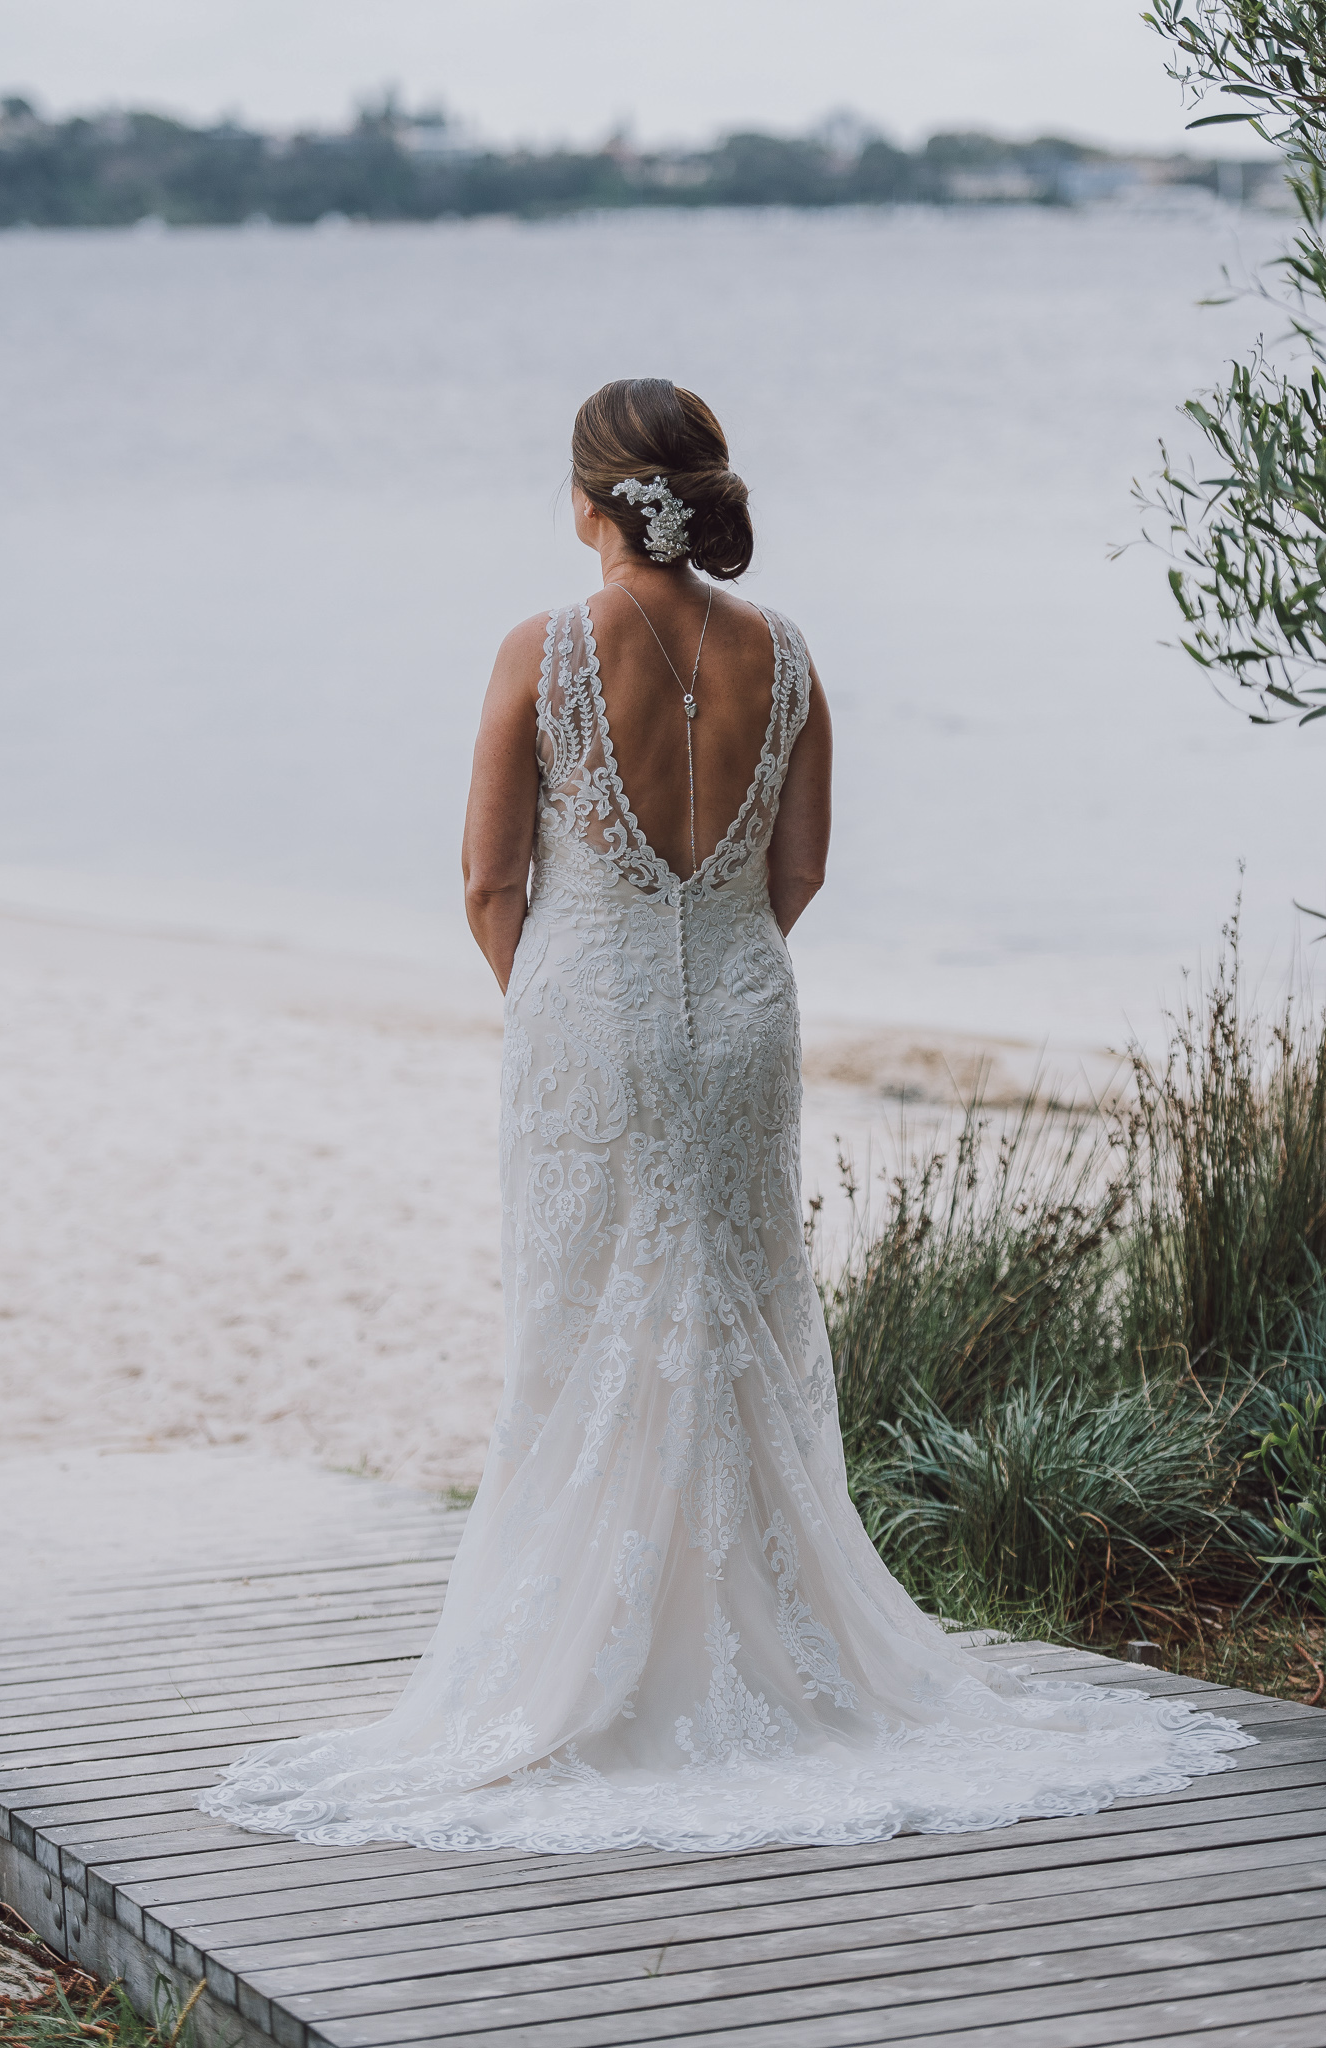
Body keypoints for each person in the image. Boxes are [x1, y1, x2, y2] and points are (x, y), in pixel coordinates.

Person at [201, 378, 1251, 1853]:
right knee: (743, 1311)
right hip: (744, 1015)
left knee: (584, 1327)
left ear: (589, 501)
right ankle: (767, 1646)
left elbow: (489, 882)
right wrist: (717, 967)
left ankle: (600, 1661)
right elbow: (798, 872)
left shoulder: (541, 649)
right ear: (698, 496)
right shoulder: (790, 652)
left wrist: (560, 995)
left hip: (590, 1018)